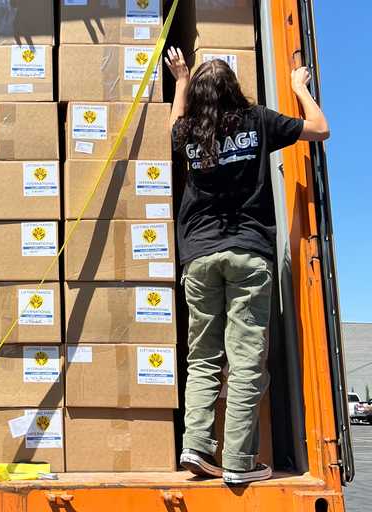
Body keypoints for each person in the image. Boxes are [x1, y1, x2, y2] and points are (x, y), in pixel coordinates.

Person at [164, 47, 329, 484]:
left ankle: (195, 447)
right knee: (246, 360)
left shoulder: (191, 133)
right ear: (236, 90)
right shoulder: (258, 121)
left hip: (198, 256)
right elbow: (320, 129)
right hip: (248, 254)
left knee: (203, 357)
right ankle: (238, 463)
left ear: (200, 97)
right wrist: (297, 88)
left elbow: (172, 128)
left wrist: (180, 81)